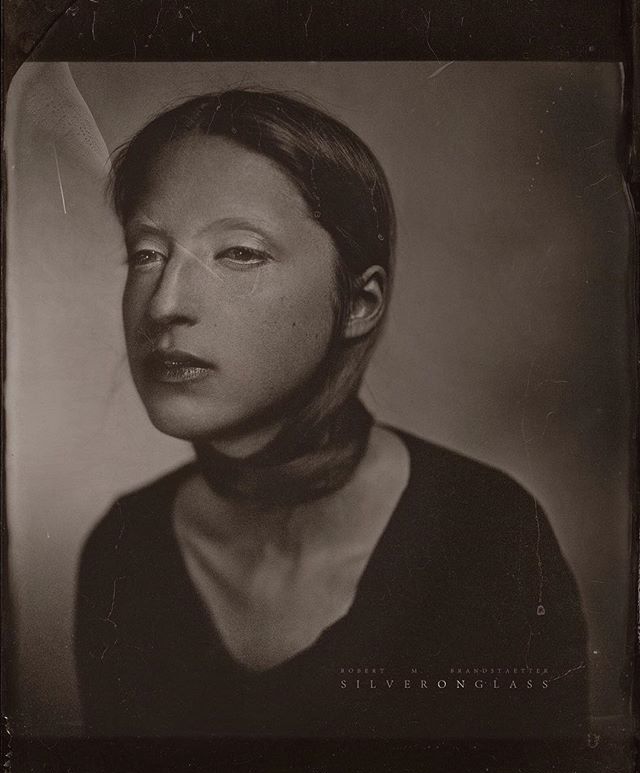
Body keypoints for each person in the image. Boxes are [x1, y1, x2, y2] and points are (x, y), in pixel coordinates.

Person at [74, 88, 588, 739]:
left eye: (239, 252)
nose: (165, 303)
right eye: (147, 253)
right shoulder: (124, 548)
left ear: (359, 302)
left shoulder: (489, 532)